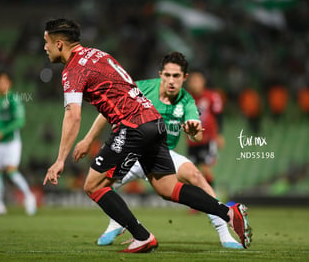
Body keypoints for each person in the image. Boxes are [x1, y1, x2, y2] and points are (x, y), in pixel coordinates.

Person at [42, 18, 251, 253]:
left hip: (131, 126)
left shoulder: (73, 70)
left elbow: (73, 116)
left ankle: (141, 236)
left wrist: (60, 159)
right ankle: (228, 213)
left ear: (59, 43)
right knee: (167, 187)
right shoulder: (98, 54)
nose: (45, 47)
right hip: (153, 122)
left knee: (93, 185)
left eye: (47, 42)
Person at [73, 52, 244, 249]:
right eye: (167, 75)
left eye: (176, 76)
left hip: (162, 154)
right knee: (100, 184)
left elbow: (196, 132)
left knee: (196, 175)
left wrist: (193, 132)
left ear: (184, 78)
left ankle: (224, 232)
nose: (171, 81)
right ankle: (119, 222)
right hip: (133, 151)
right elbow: (107, 111)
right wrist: (88, 139)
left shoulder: (187, 100)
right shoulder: (140, 87)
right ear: (160, 74)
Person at [0, 71, 37, 216]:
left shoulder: (13, 99)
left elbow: (20, 121)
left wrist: (3, 132)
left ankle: (29, 197)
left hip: (11, 142)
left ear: (9, 83)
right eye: (0, 81)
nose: (3, 84)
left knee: (11, 171)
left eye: (6, 81)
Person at [186, 71, 225, 187]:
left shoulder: (212, 96)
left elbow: (219, 116)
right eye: (192, 81)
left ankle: (212, 196)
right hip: (192, 141)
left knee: (205, 168)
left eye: (197, 80)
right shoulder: (185, 98)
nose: (195, 84)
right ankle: (199, 199)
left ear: (203, 82)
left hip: (208, 139)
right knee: (191, 171)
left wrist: (220, 134)